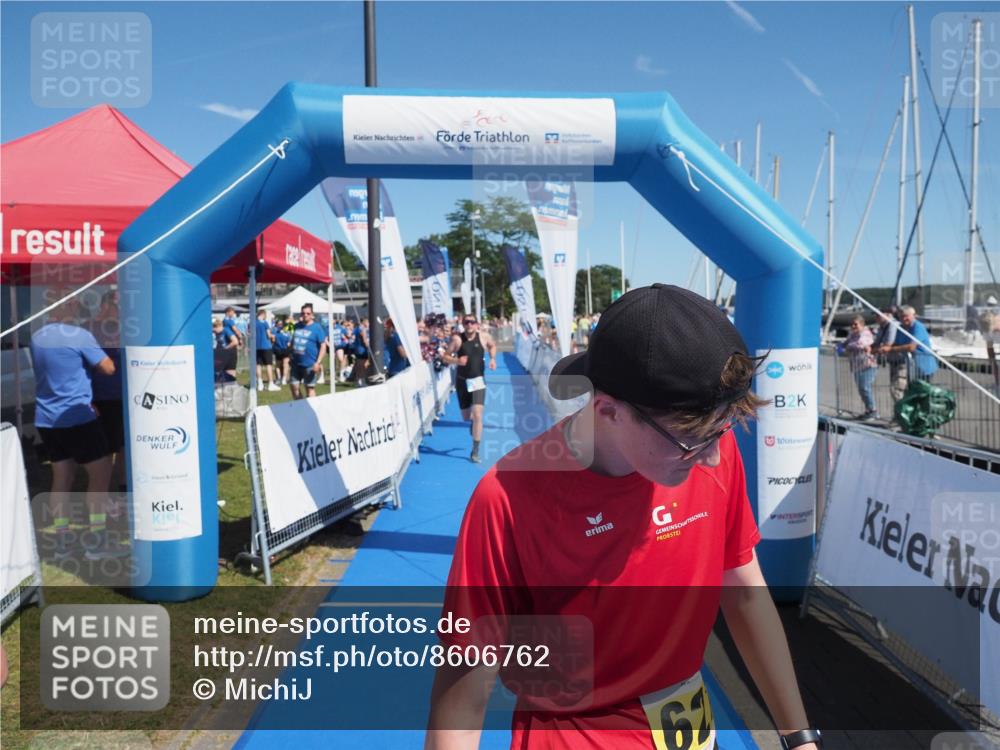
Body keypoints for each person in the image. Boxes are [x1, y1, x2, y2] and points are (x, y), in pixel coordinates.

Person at [426, 284, 820, 750]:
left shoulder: (708, 444)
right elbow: (465, 691)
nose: (714, 458)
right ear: (608, 410)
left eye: (724, 427)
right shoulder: (508, 499)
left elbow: (746, 596)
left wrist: (799, 738)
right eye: (693, 440)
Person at [30, 291, 127, 561]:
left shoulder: (38, 336)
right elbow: (108, 368)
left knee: (61, 479)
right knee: (99, 478)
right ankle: (97, 542)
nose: (80, 307)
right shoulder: (79, 336)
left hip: (47, 419)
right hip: (77, 417)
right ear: (65, 305)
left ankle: (62, 542)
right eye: (74, 303)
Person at [444, 315, 496, 463]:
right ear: (463, 324)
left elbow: (492, 345)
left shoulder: (484, 337)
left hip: (478, 382)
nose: (469, 325)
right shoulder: (457, 340)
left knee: (478, 415)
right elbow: (445, 357)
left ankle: (475, 451)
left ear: (476, 324)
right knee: (467, 417)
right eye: (466, 322)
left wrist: (492, 359)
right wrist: (456, 360)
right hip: (462, 382)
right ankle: (473, 423)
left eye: (472, 322)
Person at [879, 305, 937, 402]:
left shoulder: (918, 327)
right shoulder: (901, 328)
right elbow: (896, 343)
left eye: (906, 316)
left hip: (924, 367)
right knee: (910, 393)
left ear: (913, 315)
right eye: (901, 316)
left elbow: (911, 347)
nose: (904, 318)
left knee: (923, 394)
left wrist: (890, 349)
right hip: (911, 368)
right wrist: (884, 347)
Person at [289, 303, 328, 399]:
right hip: (295, 363)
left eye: (308, 313)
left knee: (309, 389)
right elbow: (292, 341)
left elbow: (323, 346)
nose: (305, 315)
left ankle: (312, 410)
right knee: (294, 387)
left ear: (312, 315)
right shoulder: (296, 326)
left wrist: (318, 362)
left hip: (310, 364)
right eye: (303, 313)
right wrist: (290, 354)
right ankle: (301, 409)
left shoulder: (317, 327)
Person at [844, 315, 879, 420]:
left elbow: (860, 344)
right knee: (861, 389)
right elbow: (844, 344)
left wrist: (849, 346)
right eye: (852, 324)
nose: (853, 326)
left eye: (856, 324)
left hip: (868, 364)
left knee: (865, 387)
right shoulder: (852, 334)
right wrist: (845, 346)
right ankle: (868, 410)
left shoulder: (866, 333)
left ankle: (873, 410)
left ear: (862, 324)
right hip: (856, 366)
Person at [254, 310, 280, 391]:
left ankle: (260, 383)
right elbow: (268, 335)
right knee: (269, 365)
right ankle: (271, 384)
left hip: (257, 346)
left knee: (258, 365)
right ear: (263, 314)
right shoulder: (265, 323)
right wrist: (273, 336)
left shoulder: (253, 323)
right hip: (266, 346)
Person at [213, 318, 239, 382]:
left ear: (217, 326)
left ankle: (232, 386)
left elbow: (235, 341)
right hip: (221, 355)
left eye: (214, 328)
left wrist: (225, 348)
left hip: (230, 355)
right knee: (220, 374)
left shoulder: (226, 330)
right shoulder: (216, 333)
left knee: (230, 373)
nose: (213, 330)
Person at [272, 317, 292, 386]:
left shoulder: (287, 332)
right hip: (278, 349)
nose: (280, 325)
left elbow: (289, 341)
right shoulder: (275, 331)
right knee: (278, 365)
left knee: (284, 364)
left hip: (285, 349)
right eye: (279, 324)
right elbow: (273, 340)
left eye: (281, 324)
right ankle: (280, 378)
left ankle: (283, 379)